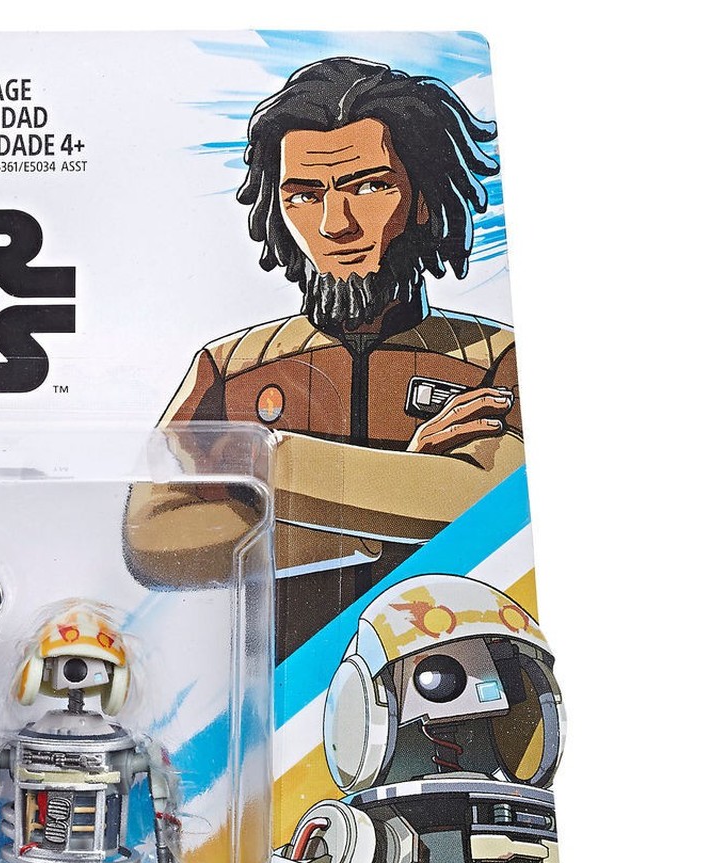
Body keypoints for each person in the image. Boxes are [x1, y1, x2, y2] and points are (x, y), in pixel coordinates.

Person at [125, 57, 525, 657]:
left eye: (370, 186)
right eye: (305, 196)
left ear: (422, 197)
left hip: (452, 670)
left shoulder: (496, 357)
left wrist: (258, 465)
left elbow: (493, 505)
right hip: (278, 682)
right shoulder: (229, 366)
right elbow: (153, 540)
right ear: (277, 208)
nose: (336, 224)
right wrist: (397, 504)